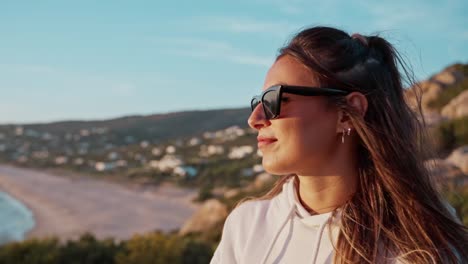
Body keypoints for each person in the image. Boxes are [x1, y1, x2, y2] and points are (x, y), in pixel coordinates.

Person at [210, 26, 468, 264]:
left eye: (274, 100)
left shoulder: (418, 245)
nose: (255, 119)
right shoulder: (246, 226)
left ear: (347, 113)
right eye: (258, 102)